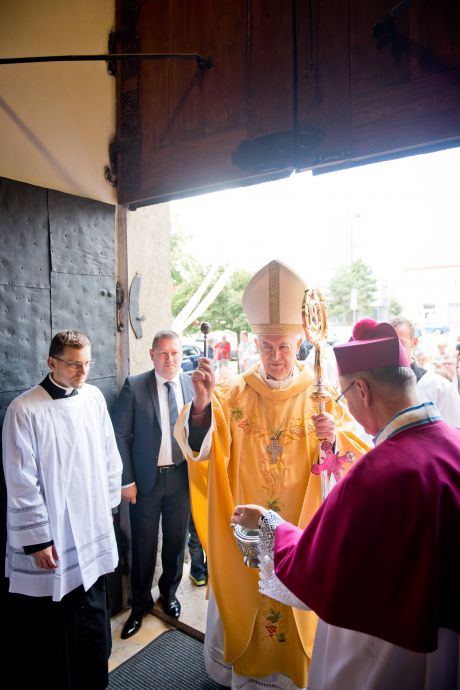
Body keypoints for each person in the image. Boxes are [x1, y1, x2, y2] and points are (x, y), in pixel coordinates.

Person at [232, 318, 460, 690]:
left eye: (344, 397)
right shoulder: (456, 442)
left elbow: (315, 569)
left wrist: (269, 524)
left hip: (387, 650)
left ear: (362, 390)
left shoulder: (375, 475)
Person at [174, 260, 369, 690]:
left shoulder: (321, 397)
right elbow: (202, 448)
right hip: (245, 531)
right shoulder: (232, 393)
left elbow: (358, 455)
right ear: (255, 345)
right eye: (267, 347)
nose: (276, 356)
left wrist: (333, 439)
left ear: (299, 342)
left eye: (283, 346)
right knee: (247, 599)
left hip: (301, 527)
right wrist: (203, 407)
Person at [2, 330, 122, 690]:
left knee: (94, 610)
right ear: (52, 362)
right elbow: (21, 480)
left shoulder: (93, 398)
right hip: (54, 535)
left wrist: (108, 509)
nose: (82, 372)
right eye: (73, 364)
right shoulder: (25, 408)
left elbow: (108, 453)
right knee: (59, 622)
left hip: (91, 525)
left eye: (86, 363)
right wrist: (37, 540)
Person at [112, 330, 199, 639]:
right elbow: (119, 436)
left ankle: (169, 594)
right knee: (144, 546)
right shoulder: (135, 386)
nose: (170, 359)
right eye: (163, 353)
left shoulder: (190, 384)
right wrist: (128, 481)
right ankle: (139, 605)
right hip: (145, 482)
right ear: (152, 355)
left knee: (176, 542)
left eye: (174, 353)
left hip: (180, 478)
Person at [389, 316, 460, 425]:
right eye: (388, 344)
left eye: (400, 343)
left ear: (414, 342)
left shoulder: (440, 387)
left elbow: (456, 432)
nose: (393, 349)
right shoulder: (375, 387)